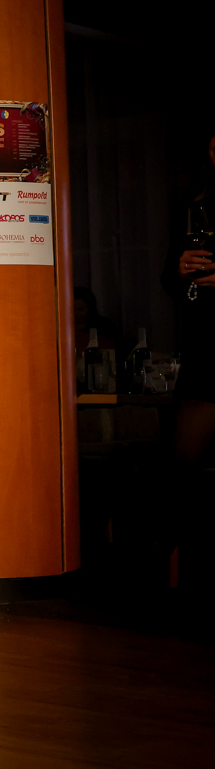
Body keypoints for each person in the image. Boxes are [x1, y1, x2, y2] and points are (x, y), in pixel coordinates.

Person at [161, 131, 215, 598]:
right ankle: (181, 574)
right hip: (208, 347)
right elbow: (171, 278)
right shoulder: (196, 204)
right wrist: (179, 272)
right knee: (181, 467)